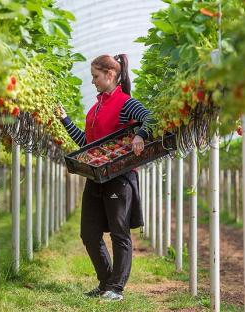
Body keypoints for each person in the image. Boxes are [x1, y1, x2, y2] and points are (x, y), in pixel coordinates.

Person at [57, 54, 154, 301]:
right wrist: (65, 119)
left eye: (95, 77)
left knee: (119, 233)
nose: (93, 82)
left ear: (110, 75)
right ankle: (106, 282)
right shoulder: (96, 108)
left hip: (119, 177)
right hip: (96, 176)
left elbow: (151, 118)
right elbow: (87, 144)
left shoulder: (125, 103)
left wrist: (141, 135)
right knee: (89, 233)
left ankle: (116, 288)